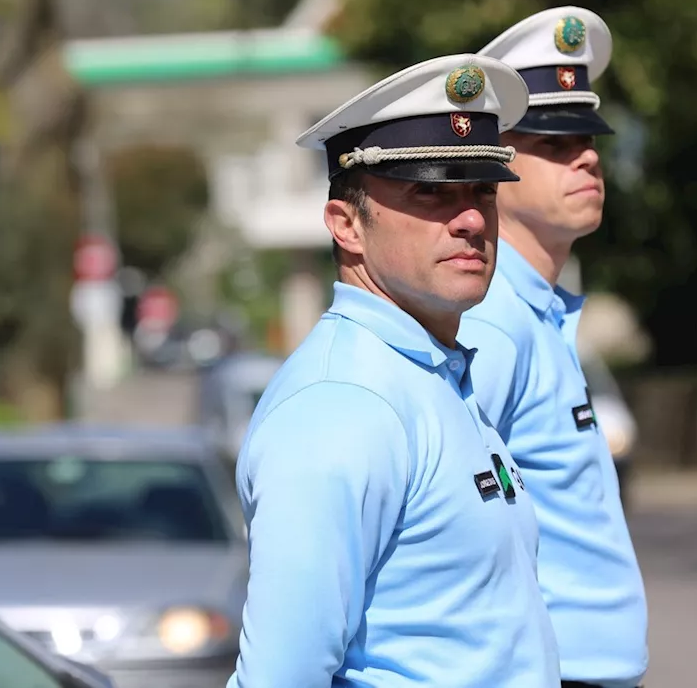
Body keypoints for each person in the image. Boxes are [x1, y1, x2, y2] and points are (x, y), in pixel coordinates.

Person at [227, 54, 561, 687]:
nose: (469, 220)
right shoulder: (342, 405)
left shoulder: (425, 375)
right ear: (346, 225)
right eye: (430, 192)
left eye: (481, 192)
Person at [458, 7, 649, 688]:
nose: (588, 155)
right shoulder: (490, 324)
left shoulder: (535, 313)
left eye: (588, 139)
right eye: (554, 143)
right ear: (493, 165)